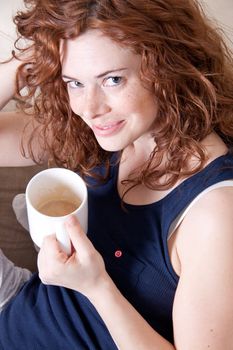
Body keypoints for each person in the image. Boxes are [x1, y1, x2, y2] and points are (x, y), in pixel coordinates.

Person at [0, 0, 233, 348]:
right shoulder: (105, 133)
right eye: (74, 82)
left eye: (112, 79)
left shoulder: (215, 213)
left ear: (168, 65)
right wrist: (28, 55)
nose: (89, 109)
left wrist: (95, 286)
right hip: (16, 308)